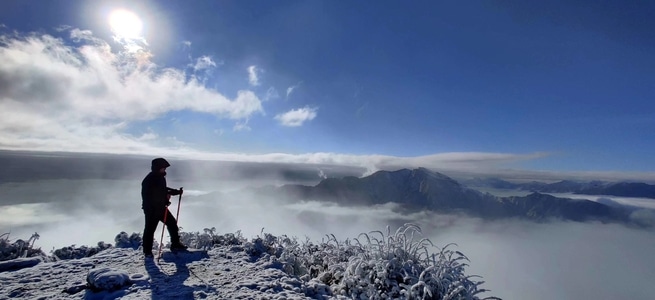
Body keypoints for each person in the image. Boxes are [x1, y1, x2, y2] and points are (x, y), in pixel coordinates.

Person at [141, 157, 187, 257]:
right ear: (157, 168)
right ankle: (147, 251)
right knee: (150, 230)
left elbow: (163, 190)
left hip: (160, 208)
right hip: (152, 209)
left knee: (172, 223)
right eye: (163, 168)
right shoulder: (150, 179)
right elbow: (154, 194)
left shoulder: (159, 177)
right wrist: (168, 196)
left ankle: (175, 244)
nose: (164, 170)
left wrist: (175, 192)